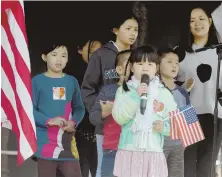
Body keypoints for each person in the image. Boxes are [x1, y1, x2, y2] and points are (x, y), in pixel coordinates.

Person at [81, 13, 139, 177]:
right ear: (115, 30)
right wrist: (100, 113)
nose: (133, 33)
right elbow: (87, 88)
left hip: (131, 125)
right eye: (128, 29)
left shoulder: (138, 56)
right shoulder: (101, 55)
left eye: (136, 29)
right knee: (104, 167)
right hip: (106, 124)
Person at [112, 45, 178, 177]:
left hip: (153, 152)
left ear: (157, 68)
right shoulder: (124, 90)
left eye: (150, 64)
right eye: (140, 63)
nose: (145, 68)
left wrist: (164, 127)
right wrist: (137, 96)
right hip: (129, 150)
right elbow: (119, 117)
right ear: (131, 67)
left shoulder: (164, 93)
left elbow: (176, 122)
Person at [177, 6, 222, 177]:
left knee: (207, 164)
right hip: (189, 113)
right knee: (187, 162)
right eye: (192, 20)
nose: (197, 23)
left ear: (210, 21)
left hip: (214, 113)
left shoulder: (219, 51)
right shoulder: (180, 53)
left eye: (201, 18)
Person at [32, 44, 85, 177]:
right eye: (54, 55)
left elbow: (79, 107)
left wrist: (74, 122)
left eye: (63, 56)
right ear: (44, 57)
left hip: (67, 143)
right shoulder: (37, 81)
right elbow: (29, 110)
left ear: (67, 60)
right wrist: (48, 121)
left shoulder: (71, 81)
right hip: (45, 143)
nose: (59, 59)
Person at [90, 50, 131, 177]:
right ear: (119, 69)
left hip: (132, 146)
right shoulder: (108, 91)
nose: (135, 67)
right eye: (130, 63)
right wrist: (104, 113)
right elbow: (93, 117)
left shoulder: (142, 91)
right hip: (109, 144)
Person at [158, 47, 192, 177]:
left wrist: (185, 140)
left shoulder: (182, 91)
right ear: (157, 64)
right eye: (169, 62)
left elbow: (189, 115)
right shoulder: (154, 89)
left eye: (177, 63)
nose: (174, 65)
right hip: (157, 144)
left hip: (178, 144)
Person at [76, 39, 102, 177]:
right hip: (81, 132)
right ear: (80, 50)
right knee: (82, 170)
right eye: (92, 51)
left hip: (102, 133)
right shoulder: (75, 77)